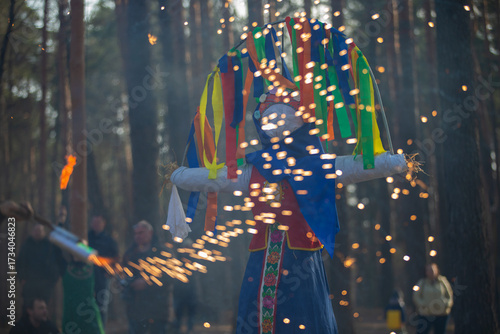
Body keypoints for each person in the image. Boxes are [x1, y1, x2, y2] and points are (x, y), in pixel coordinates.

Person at [171, 90, 408, 333]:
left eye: (283, 119)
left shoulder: (317, 165)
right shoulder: (254, 167)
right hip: (262, 257)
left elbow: (355, 166)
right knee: (262, 312)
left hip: (302, 259)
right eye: (271, 119)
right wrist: (181, 176)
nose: (277, 126)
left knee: (305, 314)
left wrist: (391, 163)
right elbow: (218, 179)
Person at [122, 220, 171, 334]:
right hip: (136, 310)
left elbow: (170, 277)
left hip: (158, 309)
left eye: (141, 233)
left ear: (150, 233)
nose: (138, 236)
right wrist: (129, 284)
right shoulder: (130, 254)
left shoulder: (163, 253)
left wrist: (148, 282)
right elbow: (123, 276)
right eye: (136, 233)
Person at [17, 223, 66, 303]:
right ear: (32, 232)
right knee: (28, 306)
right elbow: (20, 262)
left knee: (43, 306)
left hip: (45, 283)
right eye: (36, 231)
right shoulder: (27, 245)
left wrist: (53, 279)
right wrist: (22, 277)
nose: (38, 233)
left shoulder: (49, 245)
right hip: (30, 283)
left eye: (40, 231)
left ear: (44, 232)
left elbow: (56, 261)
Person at [88, 215, 119, 325]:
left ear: (103, 224)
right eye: (94, 222)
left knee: (101, 306)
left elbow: (116, 258)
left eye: (99, 222)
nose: (96, 225)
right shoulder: (86, 238)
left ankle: (101, 329)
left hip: (103, 277)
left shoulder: (109, 240)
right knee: (87, 305)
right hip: (87, 276)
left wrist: (110, 273)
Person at [413, 263, 453, 334]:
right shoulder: (422, 283)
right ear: (426, 272)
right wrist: (423, 305)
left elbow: (449, 295)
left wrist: (446, 304)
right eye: (429, 270)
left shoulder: (443, 281)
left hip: (441, 314)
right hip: (426, 314)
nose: (431, 272)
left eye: (433, 270)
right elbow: (416, 296)